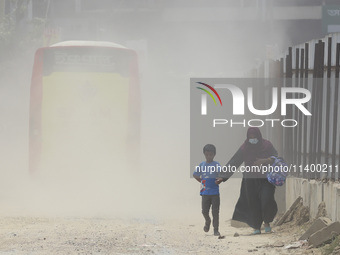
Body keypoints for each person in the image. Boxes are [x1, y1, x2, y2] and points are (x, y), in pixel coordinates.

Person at [216, 127, 278, 235]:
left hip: (266, 179)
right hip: (250, 180)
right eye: (250, 137)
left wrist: (266, 161)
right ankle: (256, 227)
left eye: (255, 137)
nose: (252, 139)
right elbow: (235, 161)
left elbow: (276, 157)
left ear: (259, 136)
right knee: (253, 203)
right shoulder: (245, 148)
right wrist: (223, 176)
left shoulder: (267, 145)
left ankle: (267, 222)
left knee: (267, 200)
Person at [193, 144, 222, 236]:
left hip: (215, 193)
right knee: (204, 211)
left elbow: (221, 175)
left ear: (214, 155)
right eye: (207, 155)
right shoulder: (202, 165)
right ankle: (207, 221)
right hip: (205, 192)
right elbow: (195, 174)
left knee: (215, 212)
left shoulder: (216, 164)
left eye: (211, 155)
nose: (209, 156)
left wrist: (219, 180)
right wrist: (201, 181)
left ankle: (216, 230)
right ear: (204, 154)